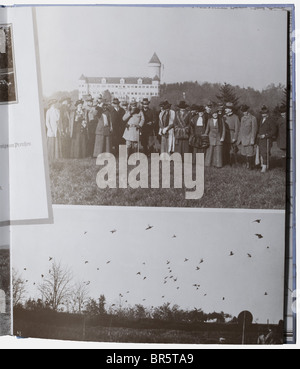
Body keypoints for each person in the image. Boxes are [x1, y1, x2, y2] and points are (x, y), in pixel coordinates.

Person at [238, 104, 258, 170]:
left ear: (247, 111)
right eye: (243, 111)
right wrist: (239, 139)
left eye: (245, 111)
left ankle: (250, 166)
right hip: (243, 139)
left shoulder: (253, 118)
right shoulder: (242, 118)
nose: (244, 113)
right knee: (244, 153)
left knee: (250, 153)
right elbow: (241, 129)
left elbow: (254, 130)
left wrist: (252, 139)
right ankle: (246, 164)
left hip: (249, 138)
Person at [257, 105, 275, 173]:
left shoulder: (271, 120)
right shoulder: (261, 120)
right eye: (262, 113)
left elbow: (273, 131)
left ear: (268, 113)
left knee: (265, 153)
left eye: (265, 113)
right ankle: (262, 165)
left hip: (267, 139)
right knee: (261, 152)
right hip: (261, 139)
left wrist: (266, 135)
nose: (263, 114)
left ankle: (265, 167)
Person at [223, 102, 240, 166]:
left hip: (232, 135)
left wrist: (235, 138)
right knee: (225, 149)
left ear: (230, 109)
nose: (225, 110)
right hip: (225, 135)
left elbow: (237, 129)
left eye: (227, 108)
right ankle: (226, 162)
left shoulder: (235, 117)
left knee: (232, 151)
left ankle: (233, 163)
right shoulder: (224, 116)